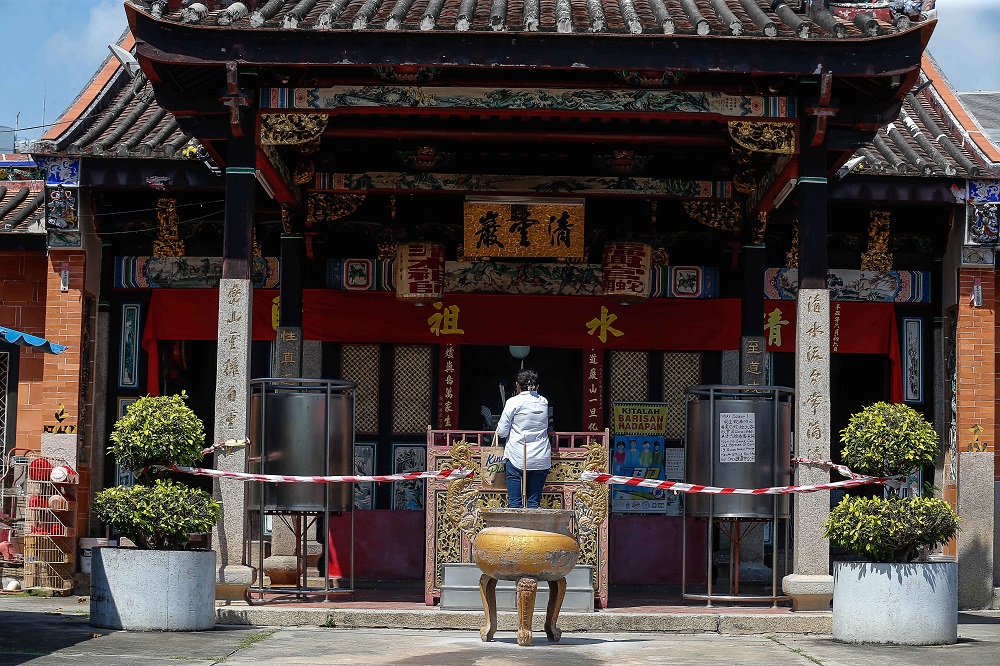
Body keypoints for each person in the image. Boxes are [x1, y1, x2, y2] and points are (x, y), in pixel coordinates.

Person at [495, 368, 551, 509]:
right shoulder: (543, 402)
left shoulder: (513, 402)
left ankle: (515, 529)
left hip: (517, 455)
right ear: (537, 386)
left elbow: (501, 431)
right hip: (540, 456)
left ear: (517, 386)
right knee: (533, 504)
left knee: (515, 504)